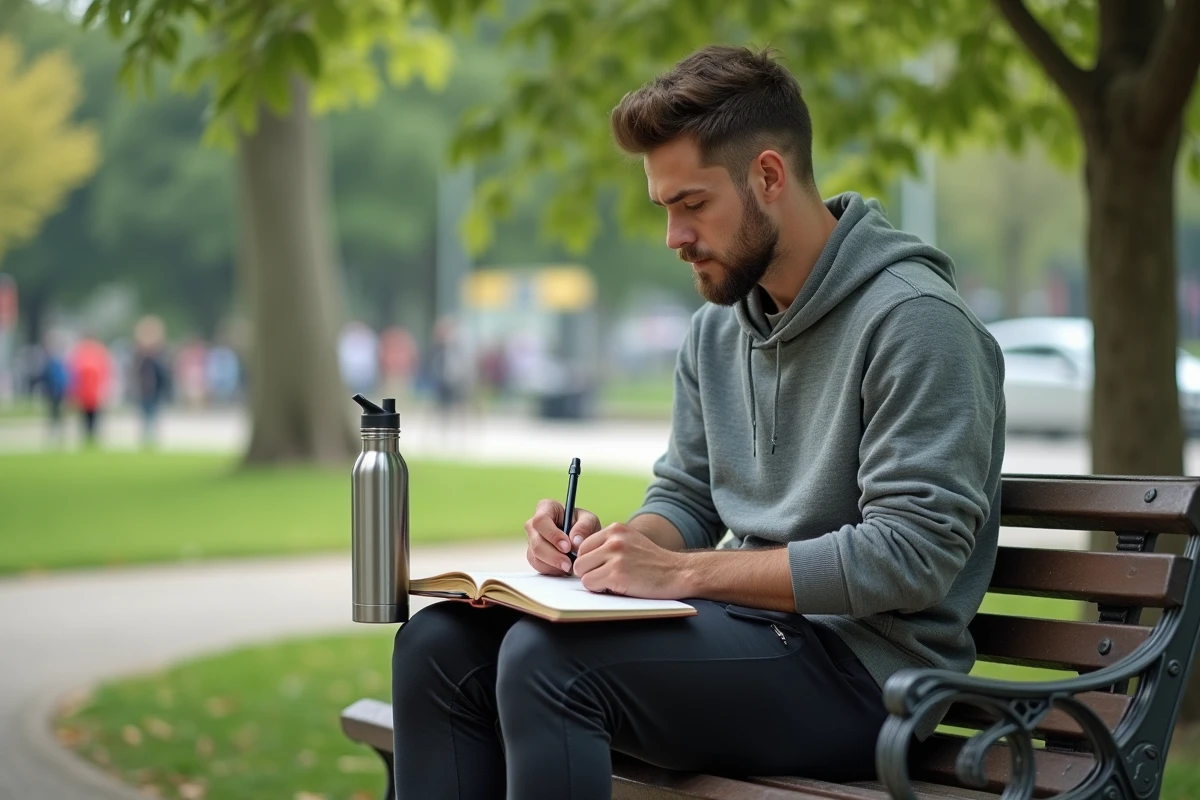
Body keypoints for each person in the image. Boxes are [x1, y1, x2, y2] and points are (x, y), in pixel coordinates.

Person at [391, 45, 1006, 798]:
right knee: (439, 644)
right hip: (747, 632)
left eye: (692, 204)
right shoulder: (718, 331)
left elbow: (911, 556)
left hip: (869, 682)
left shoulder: (917, 321)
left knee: (549, 666)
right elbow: (687, 497)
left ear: (769, 176)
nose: (674, 236)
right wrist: (610, 549)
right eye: (665, 209)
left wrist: (681, 574)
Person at [132, 316, 171, 447]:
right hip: (144, 390)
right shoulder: (140, 358)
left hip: (154, 390)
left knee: (152, 414)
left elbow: (163, 374)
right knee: (146, 414)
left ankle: (151, 437)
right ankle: (147, 437)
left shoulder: (158, 358)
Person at [68, 335, 113, 446]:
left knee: (88, 418)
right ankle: (90, 437)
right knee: (91, 418)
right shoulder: (99, 352)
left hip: (88, 392)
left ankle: (90, 437)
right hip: (90, 392)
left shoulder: (80, 352)